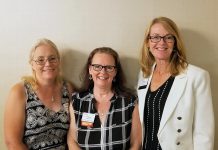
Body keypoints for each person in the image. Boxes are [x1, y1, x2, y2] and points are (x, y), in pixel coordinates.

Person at [137, 16, 214, 150]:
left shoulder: (196, 76)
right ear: (148, 43)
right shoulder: (144, 74)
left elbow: (204, 133)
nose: (161, 42)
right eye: (155, 37)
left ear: (175, 43)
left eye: (168, 37)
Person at [4, 38, 74, 150]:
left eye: (52, 58)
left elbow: (74, 134)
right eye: (40, 60)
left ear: (59, 61)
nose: (48, 63)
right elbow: (12, 143)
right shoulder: (19, 92)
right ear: (32, 64)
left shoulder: (68, 89)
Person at [67, 47, 142, 150]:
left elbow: (136, 144)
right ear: (90, 70)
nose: (103, 72)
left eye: (109, 67)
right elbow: (72, 140)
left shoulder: (130, 102)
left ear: (115, 72)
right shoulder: (77, 101)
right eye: (97, 66)